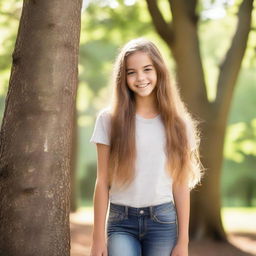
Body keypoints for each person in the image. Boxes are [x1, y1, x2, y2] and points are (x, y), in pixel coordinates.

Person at [89, 38, 203, 256]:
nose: (140, 78)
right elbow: (102, 181)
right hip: (121, 222)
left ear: (159, 71)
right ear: (123, 78)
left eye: (147, 69)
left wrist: (183, 242)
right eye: (131, 72)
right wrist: (97, 239)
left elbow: (180, 183)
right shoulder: (108, 120)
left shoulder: (179, 124)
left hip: (163, 222)